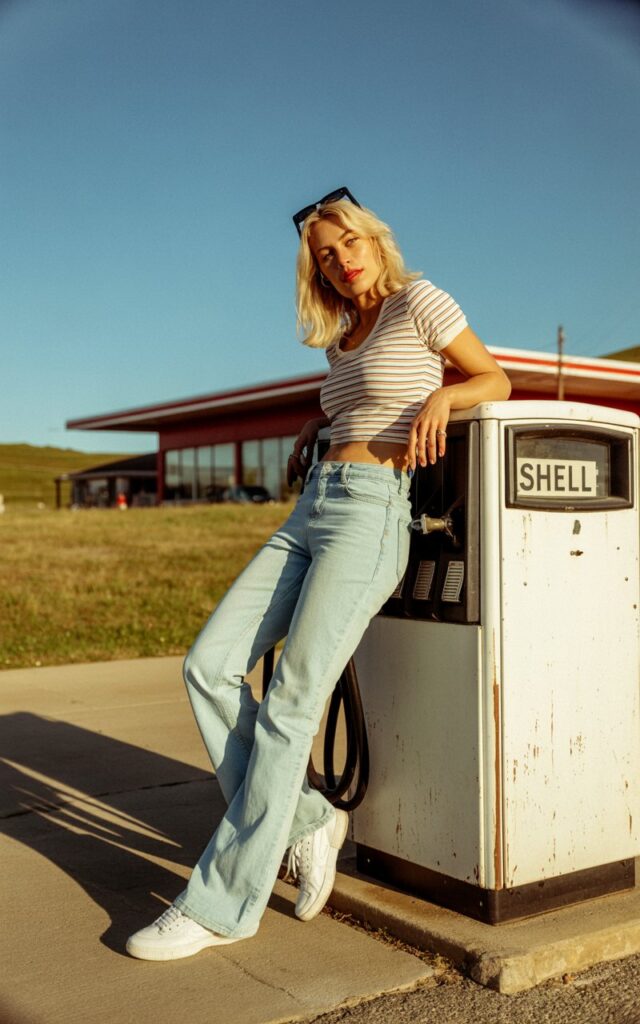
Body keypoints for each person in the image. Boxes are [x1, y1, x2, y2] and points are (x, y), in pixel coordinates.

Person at [126, 190, 511, 961]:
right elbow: (362, 405)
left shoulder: (419, 301)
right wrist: (320, 423)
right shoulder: (342, 337)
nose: (340, 260)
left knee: (291, 705)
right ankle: (305, 821)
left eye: (348, 243)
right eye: (324, 255)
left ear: (373, 239)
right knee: (208, 665)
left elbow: (494, 381)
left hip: (372, 514)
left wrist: (446, 393)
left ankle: (222, 905)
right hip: (314, 506)